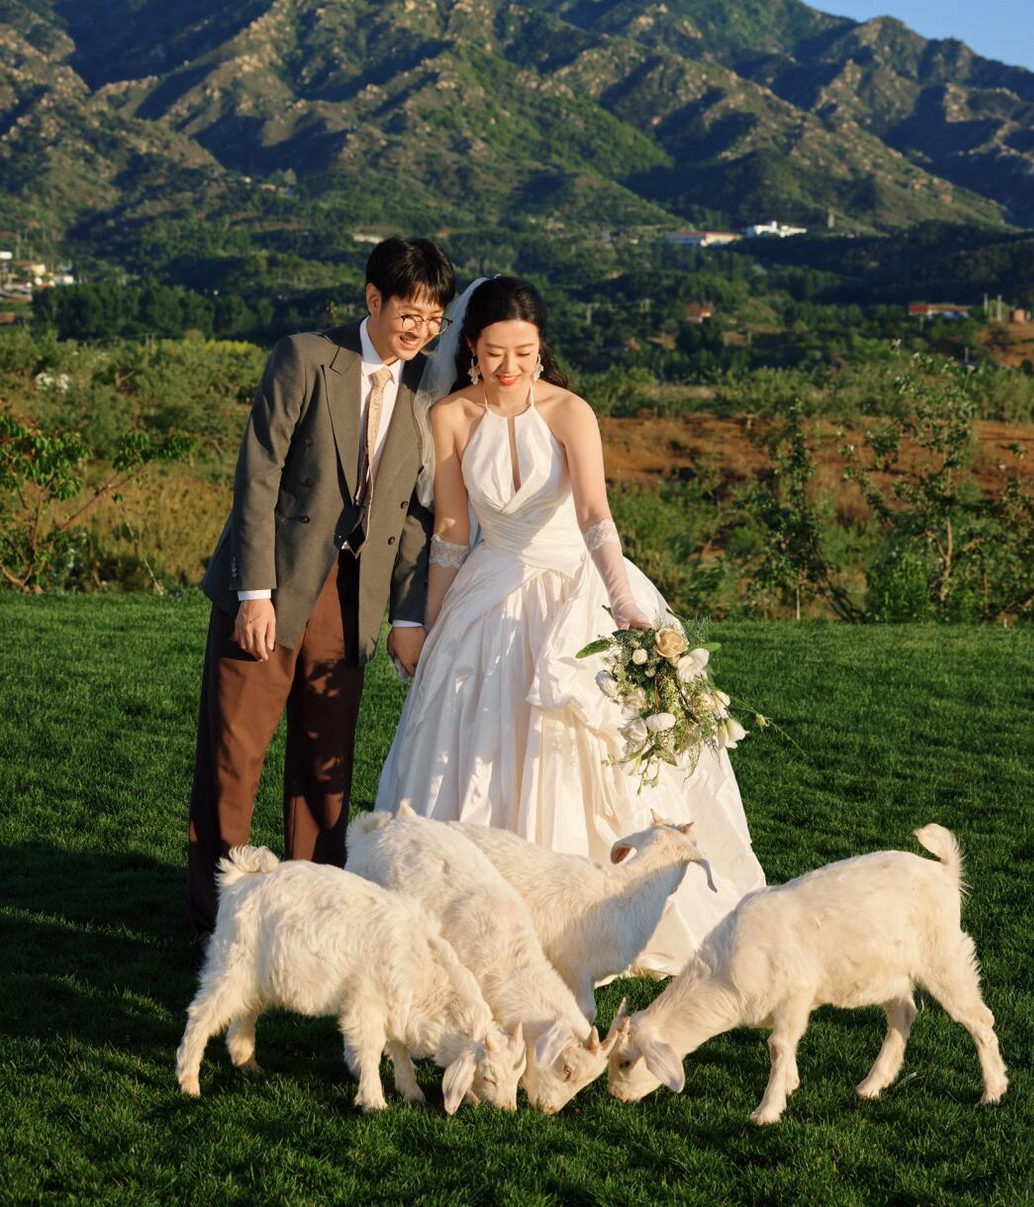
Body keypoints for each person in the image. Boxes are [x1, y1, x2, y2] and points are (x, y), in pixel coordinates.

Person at [376, 276, 764, 972]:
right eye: (495, 352)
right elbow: (452, 530)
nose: (509, 366)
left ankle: (593, 915)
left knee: (575, 743)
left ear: (540, 348)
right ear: (471, 346)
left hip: (574, 589)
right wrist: (431, 627)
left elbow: (594, 513)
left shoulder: (569, 411)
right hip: (487, 590)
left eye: (523, 352)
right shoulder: (452, 415)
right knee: (475, 743)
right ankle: (473, 913)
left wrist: (623, 599)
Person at [186, 236, 456, 949]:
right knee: (234, 754)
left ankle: (311, 916)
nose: (421, 330)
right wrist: (254, 592)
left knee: (324, 762)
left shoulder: (426, 389)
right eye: (410, 313)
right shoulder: (305, 357)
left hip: (353, 597)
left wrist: (406, 613)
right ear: (374, 298)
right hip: (271, 583)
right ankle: (218, 918)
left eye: (434, 319)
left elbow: (415, 517)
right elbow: (259, 474)